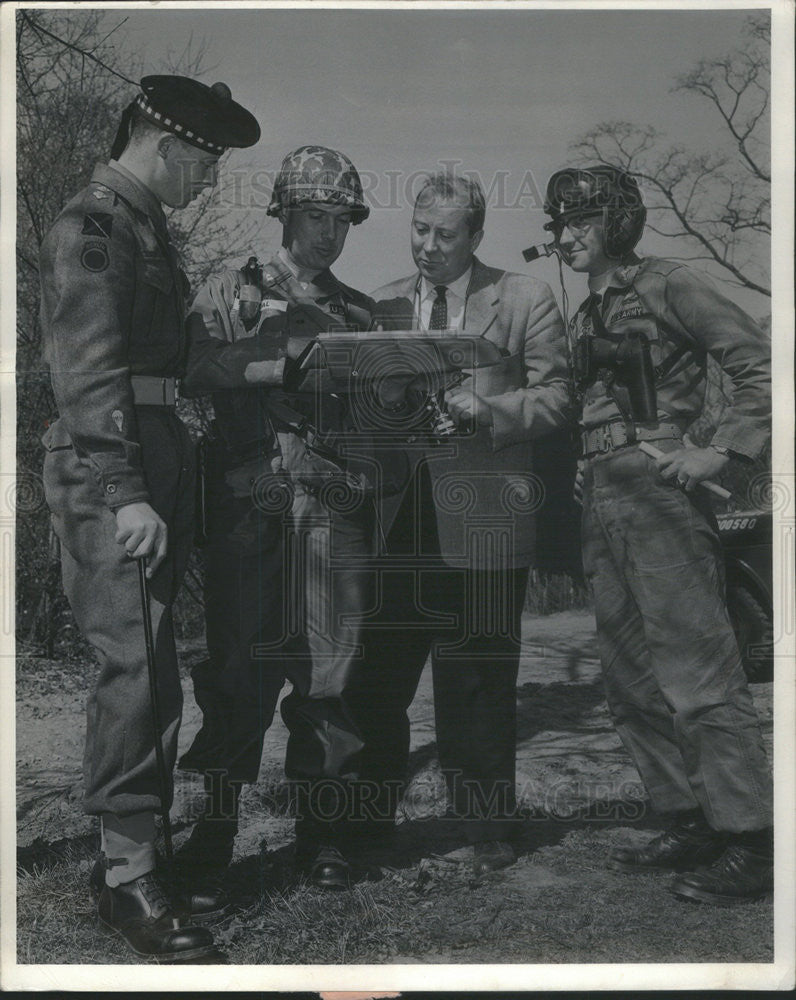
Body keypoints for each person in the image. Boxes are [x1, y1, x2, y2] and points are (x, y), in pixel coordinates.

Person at [40, 76, 259, 960]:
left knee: (157, 665)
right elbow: (88, 375)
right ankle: (128, 878)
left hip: (152, 452)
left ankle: (134, 852)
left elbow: (158, 362)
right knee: (133, 668)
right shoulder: (93, 227)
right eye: (205, 163)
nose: (208, 181)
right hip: (112, 466)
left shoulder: (141, 227)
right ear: (166, 147)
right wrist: (127, 491)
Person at [542, 164, 773, 904]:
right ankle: (687, 818)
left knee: (699, 673)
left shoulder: (671, 284)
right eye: (558, 223)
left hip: (663, 493)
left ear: (618, 221)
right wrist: (587, 461)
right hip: (603, 495)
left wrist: (723, 449)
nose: (565, 235)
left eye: (580, 220)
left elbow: (759, 365)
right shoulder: (584, 315)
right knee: (632, 678)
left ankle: (752, 840)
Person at [351, 172, 571, 875]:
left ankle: (486, 825)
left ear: (477, 237)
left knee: (478, 675)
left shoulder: (525, 296)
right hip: (396, 517)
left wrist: (494, 412)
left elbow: (561, 396)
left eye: (447, 236)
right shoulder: (381, 305)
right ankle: (365, 824)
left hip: (485, 517)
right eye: (420, 230)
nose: (429, 247)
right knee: (379, 676)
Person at [178, 145, 379, 890]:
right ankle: (215, 827)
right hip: (248, 503)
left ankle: (322, 831)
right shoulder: (233, 288)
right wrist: (277, 358)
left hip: (332, 508)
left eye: (341, 220)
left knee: (330, 675)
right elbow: (196, 370)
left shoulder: (359, 312)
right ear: (286, 213)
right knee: (237, 673)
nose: (328, 233)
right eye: (315, 216)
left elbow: (376, 417)